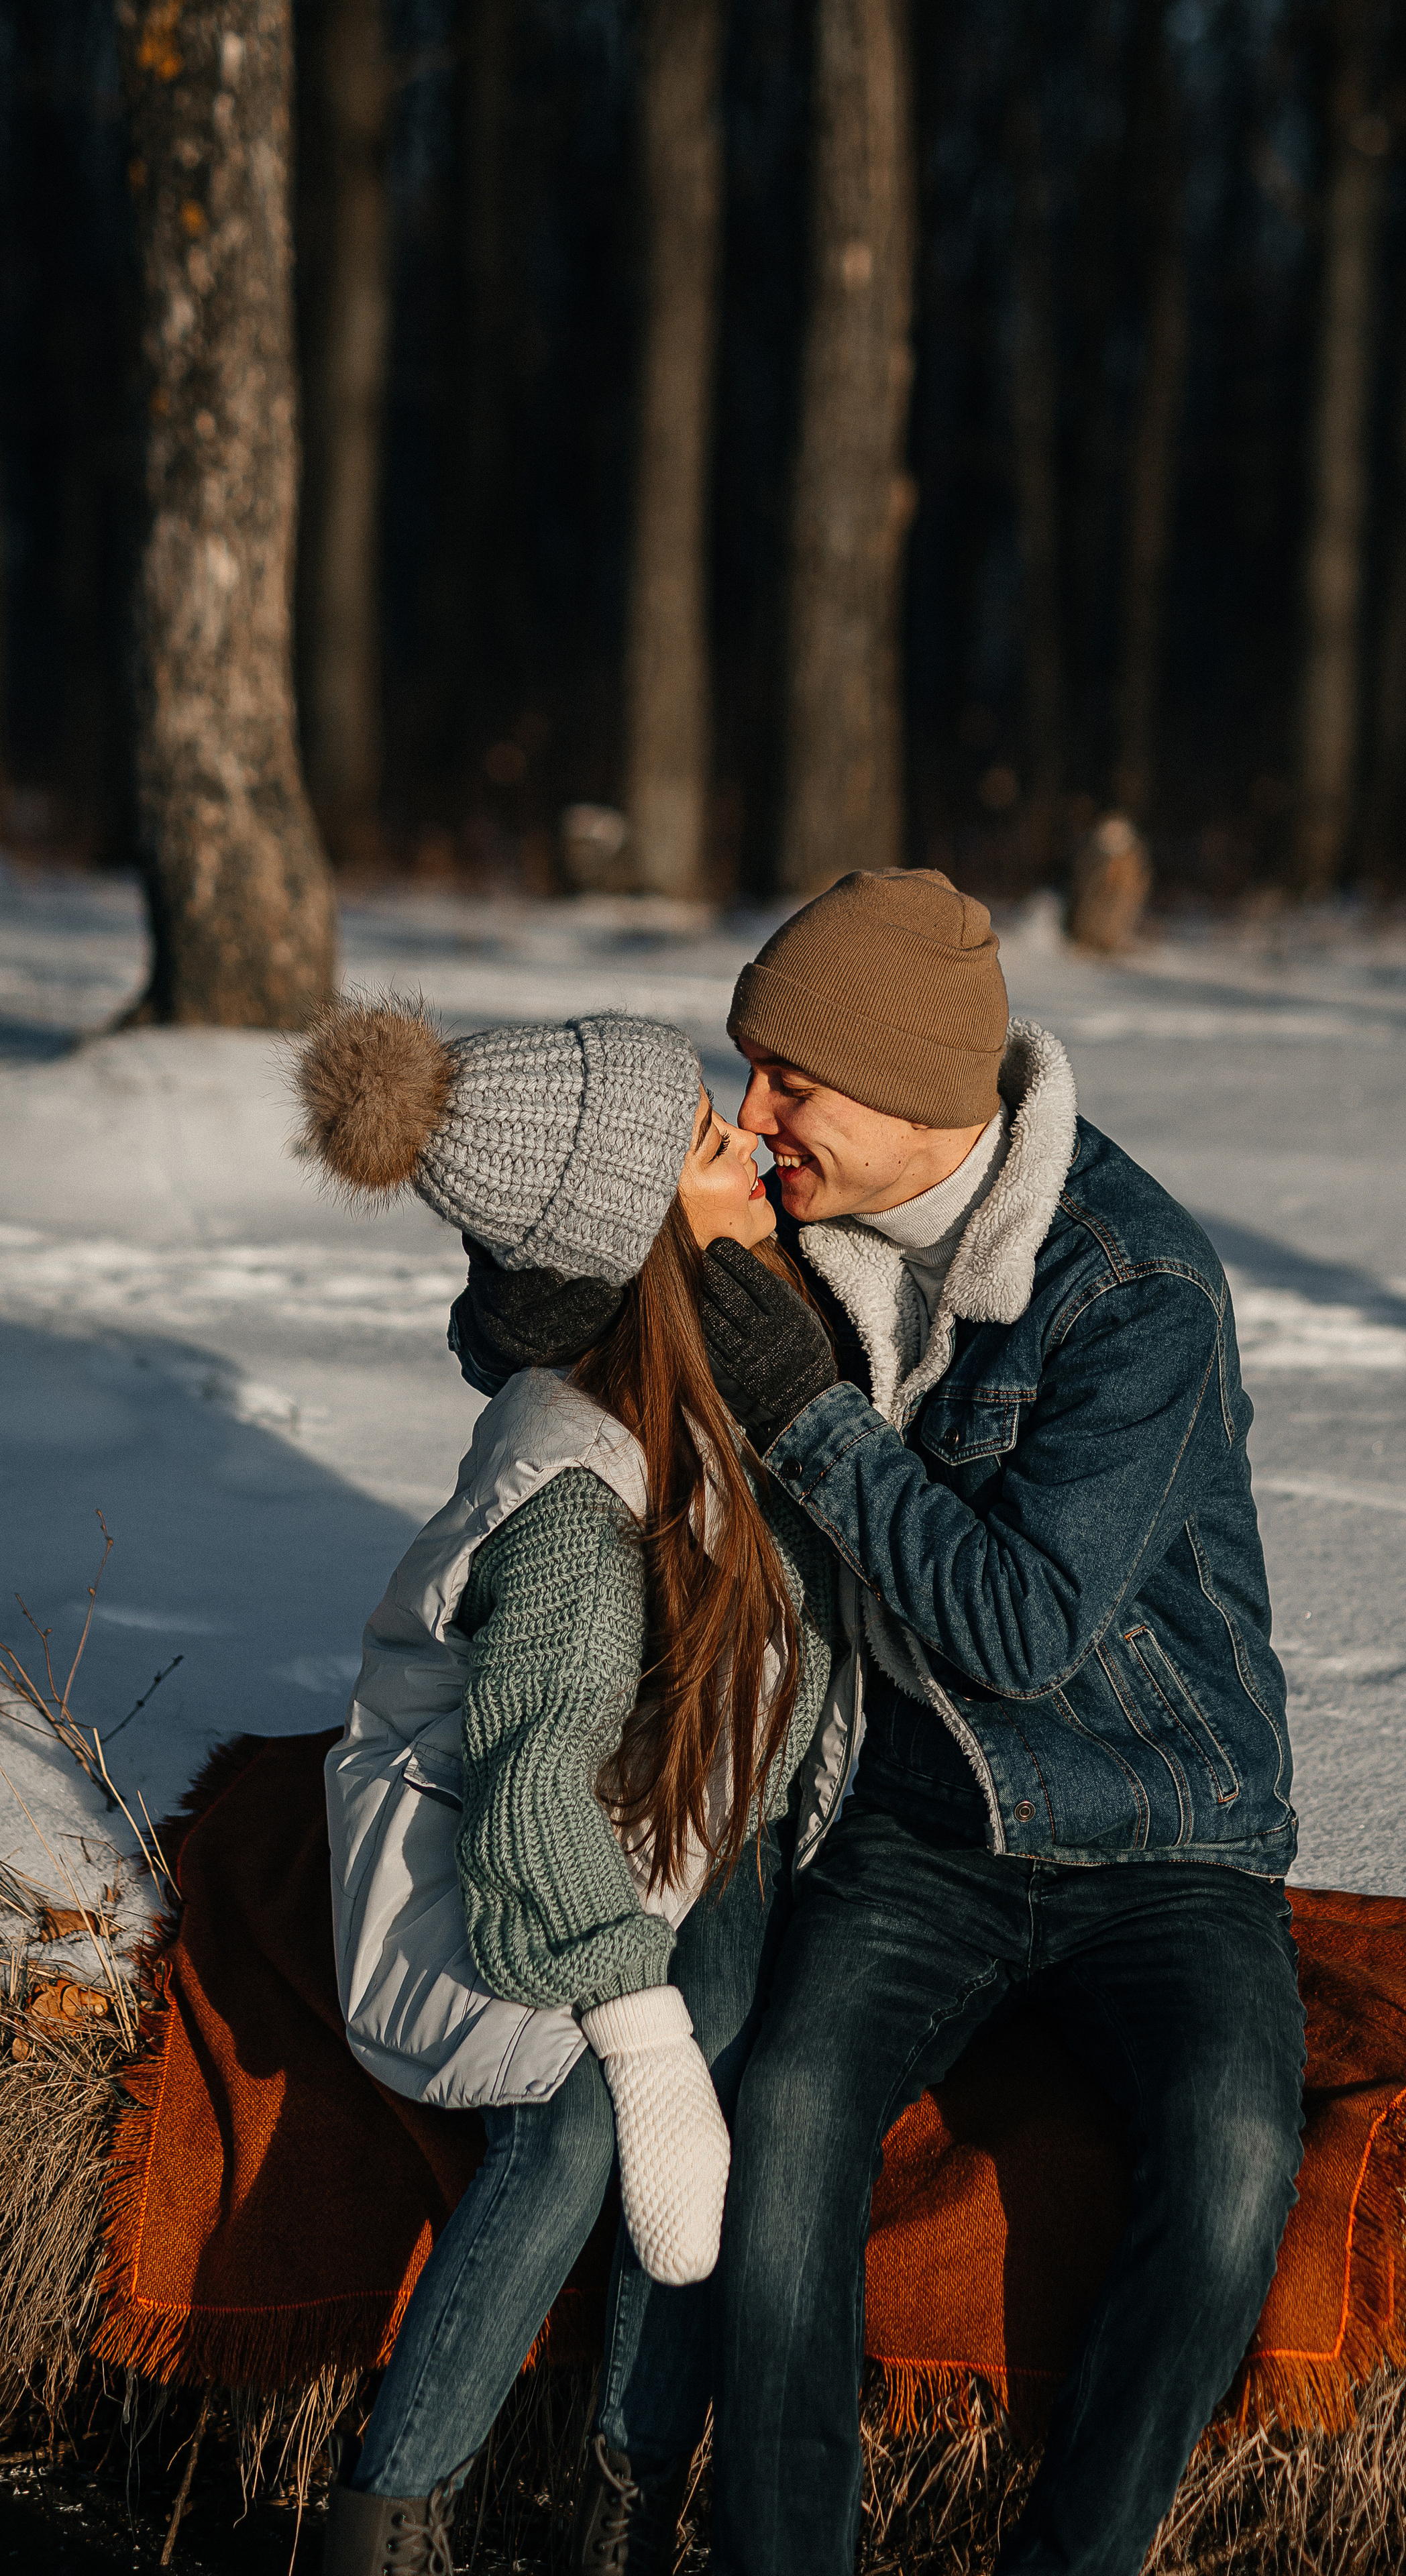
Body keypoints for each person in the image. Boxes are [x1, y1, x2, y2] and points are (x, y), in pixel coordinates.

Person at [458, 870, 1305, 2575]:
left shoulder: (1134, 1288)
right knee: (781, 2138)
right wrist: (556, 1280)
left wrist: (801, 1402)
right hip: (910, 1826)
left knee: (1232, 2159)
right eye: (744, 1068)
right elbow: (503, 1348)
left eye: (790, 1083)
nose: (751, 1117)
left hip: (1161, 1830)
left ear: (923, 1093)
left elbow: (1020, 1627)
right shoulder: (781, 1213)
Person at [294, 1002, 845, 2576]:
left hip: (678, 1823)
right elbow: (534, 1796)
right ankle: (389, 2509)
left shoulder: (717, 1367)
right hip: (507, 1849)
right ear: (636, 1241)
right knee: (598, 2111)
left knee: (731, 2053)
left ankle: (624, 2499)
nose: (745, 1142)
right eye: (704, 1144)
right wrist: (641, 2034)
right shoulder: (577, 1506)